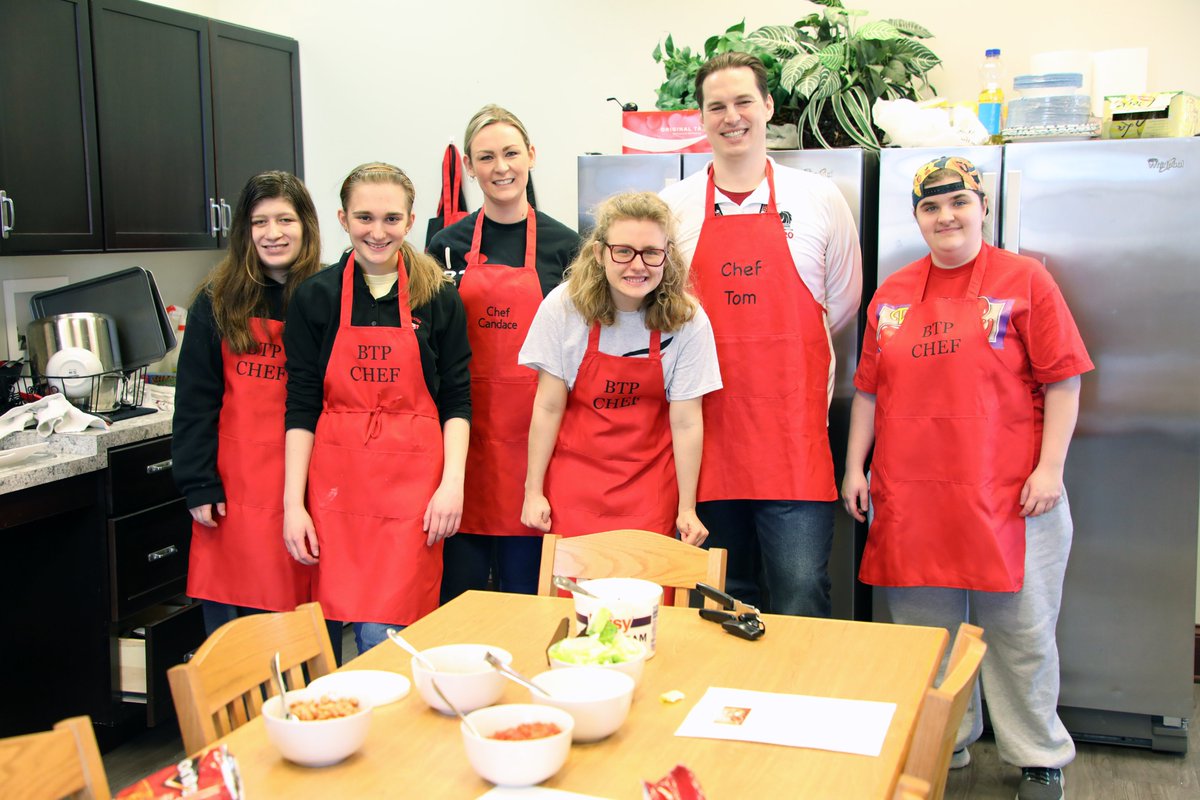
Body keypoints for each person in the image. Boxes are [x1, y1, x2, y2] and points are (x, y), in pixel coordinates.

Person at [842, 156, 1092, 800]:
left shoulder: (1025, 280)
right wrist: (854, 467)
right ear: (917, 217)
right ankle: (943, 740)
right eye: (930, 206)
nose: (946, 216)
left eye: (959, 202)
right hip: (913, 493)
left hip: (1013, 495)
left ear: (983, 206)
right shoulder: (893, 293)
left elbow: (1063, 380)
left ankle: (1038, 754)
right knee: (927, 636)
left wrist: (1050, 470)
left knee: (1021, 632)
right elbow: (868, 390)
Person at [659, 52, 862, 617]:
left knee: (801, 593)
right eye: (717, 106)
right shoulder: (673, 207)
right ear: (701, 118)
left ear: (768, 106)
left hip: (792, 441)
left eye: (744, 101)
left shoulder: (818, 198)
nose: (732, 117)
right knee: (720, 601)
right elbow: (660, 311)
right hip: (704, 443)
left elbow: (840, 303)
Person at [282, 162, 471, 654]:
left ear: (410, 222)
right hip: (338, 491)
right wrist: (293, 504)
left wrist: (452, 485)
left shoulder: (439, 298)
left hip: (414, 495)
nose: (378, 232)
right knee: (334, 624)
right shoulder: (315, 297)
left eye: (391, 219)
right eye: (364, 217)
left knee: (386, 635)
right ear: (342, 219)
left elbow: (457, 400)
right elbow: (301, 405)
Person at [427, 105, 580, 602]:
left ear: (531, 155)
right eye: (486, 157)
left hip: (538, 449)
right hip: (462, 449)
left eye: (511, 153)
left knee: (528, 597)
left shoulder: (567, 247)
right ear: (469, 166)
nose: (501, 167)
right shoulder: (444, 247)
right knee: (462, 601)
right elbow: (429, 349)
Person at [518, 191, 721, 547]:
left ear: (668, 254)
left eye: (651, 252)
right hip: (574, 491)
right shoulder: (564, 308)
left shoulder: (687, 320)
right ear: (599, 253)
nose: (637, 266)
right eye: (623, 251)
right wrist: (533, 491)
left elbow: (687, 421)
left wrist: (686, 508)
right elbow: (548, 406)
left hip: (649, 494)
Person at [173, 171, 323, 636]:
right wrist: (198, 483)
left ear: (306, 226)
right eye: (260, 222)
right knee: (234, 639)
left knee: (300, 632)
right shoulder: (215, 301)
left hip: (309, 486)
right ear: (244, 230)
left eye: (285, 220)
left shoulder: (328, 295)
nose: (273, 233)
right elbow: (195, 400)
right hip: (233, 492)